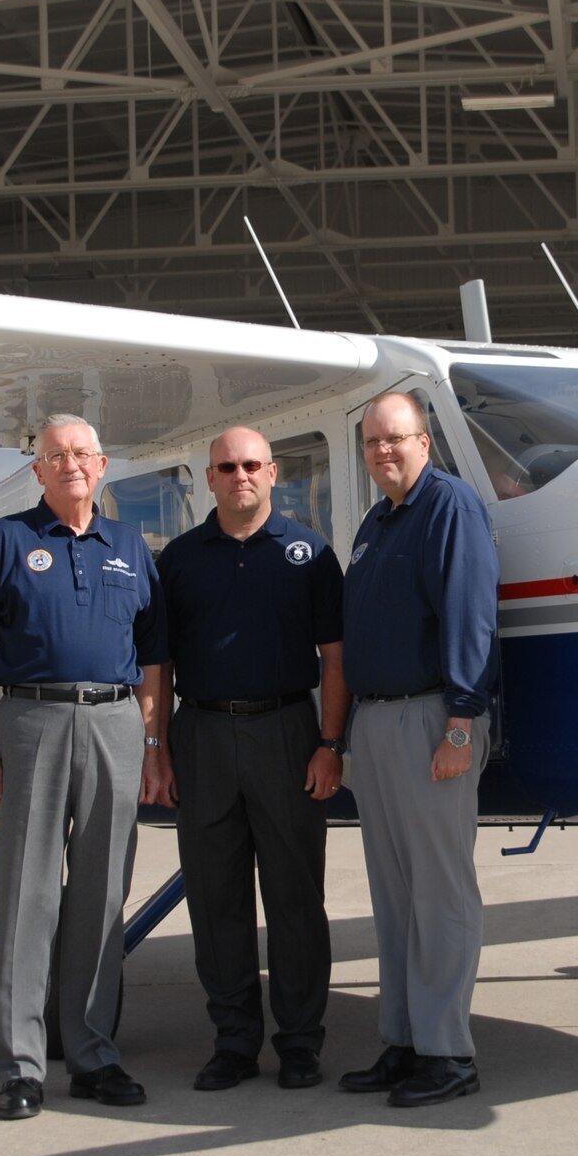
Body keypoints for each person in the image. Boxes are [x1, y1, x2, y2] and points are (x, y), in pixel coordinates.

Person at [0, 413, 167, 1119]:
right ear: (37, 470)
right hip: (32, 719)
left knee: (101, 896)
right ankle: (21, 1066)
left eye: (81, 454)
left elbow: (155, 659)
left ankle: (94, 1053)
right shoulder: (7, 542)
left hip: (115, 721)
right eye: (54, 455)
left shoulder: (131, 545)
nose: (70, 464)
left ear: (102, 466)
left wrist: (153, 744)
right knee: (29, 894)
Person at [143, 426, 348, 1092]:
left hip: (287, 732)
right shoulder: (178, 559)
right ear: (208, 477)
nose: (240, 476)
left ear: (273, 472)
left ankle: (299, 1042)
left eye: (251, 464)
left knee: (295, 898)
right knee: (215, 899)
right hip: (201, 735)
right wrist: (159, 748)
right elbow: (160, 665)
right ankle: (233, 1041)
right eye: (226, 466)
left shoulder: (309, 554)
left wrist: (329, 742)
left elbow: (335, 658)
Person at [337, 391, 500, 1107]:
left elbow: (470, 614)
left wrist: (461, 725)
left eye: (395, 439)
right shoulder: (377, 521)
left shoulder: (449, 506)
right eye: (372, 442)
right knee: (395, 896)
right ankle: (403, 1040)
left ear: (424, 442)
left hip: (433, 716)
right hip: (376, 722)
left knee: (440, 892)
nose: (383, 452)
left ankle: (448, 1053)